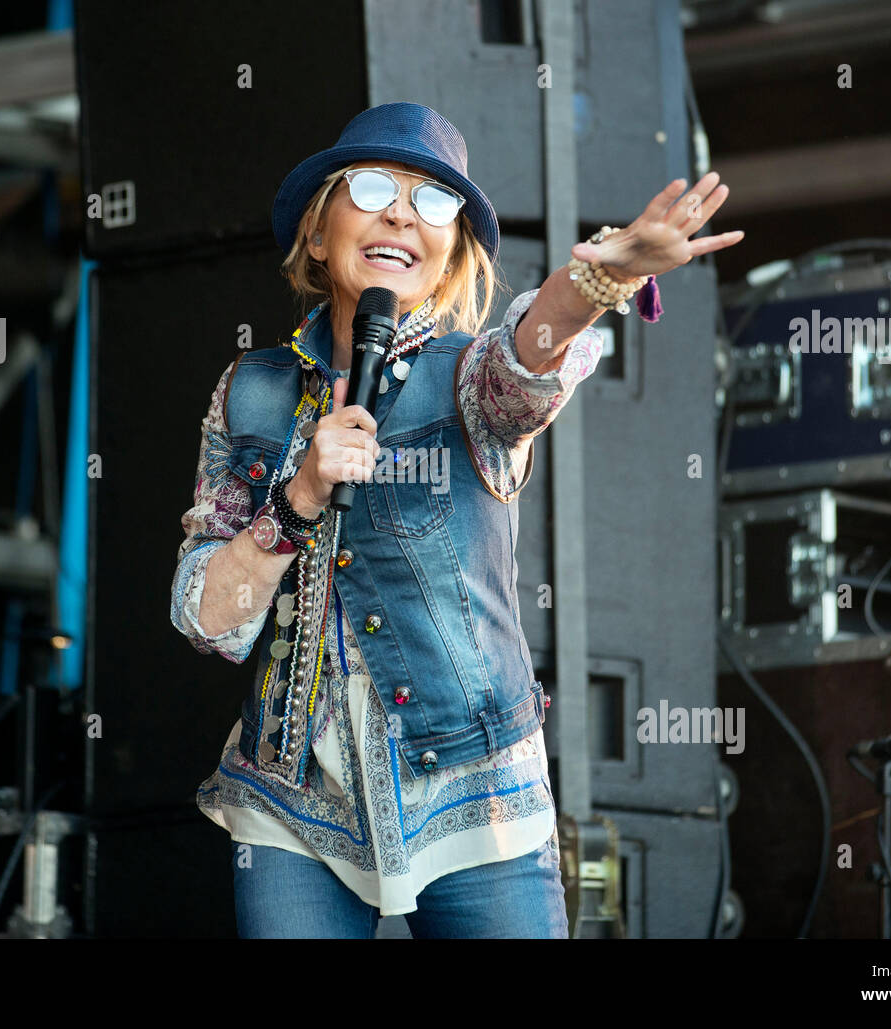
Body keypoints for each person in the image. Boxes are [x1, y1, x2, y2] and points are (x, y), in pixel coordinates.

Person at [170, 102, 743, 938]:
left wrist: (596, 280)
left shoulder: (468, 382)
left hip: (472, 789)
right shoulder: (249, 393)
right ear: (318, 235)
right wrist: (294, 499)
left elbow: (527, 359)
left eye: (433, 202)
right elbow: (206, 620)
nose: (402, 211)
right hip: (289, 798)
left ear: (448, 263)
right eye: (372, 188)